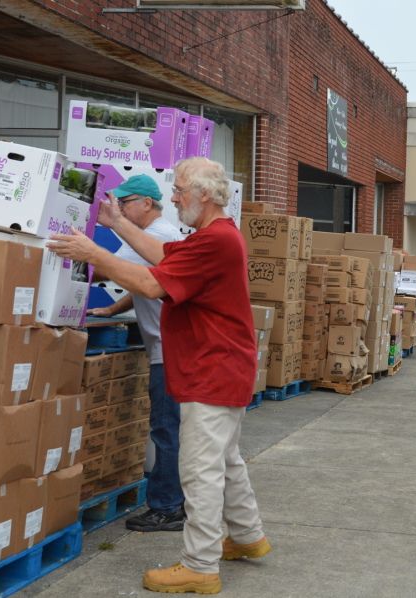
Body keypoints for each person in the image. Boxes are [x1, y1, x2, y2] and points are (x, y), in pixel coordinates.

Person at [48, 157, 269, 595]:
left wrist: (93, 254)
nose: (173, 198)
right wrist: (114, 224)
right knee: (226, 460)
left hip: (213, 369)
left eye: (180, 190)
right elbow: (164, 255)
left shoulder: (216, 241)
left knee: (200, 468)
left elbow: (152, 284)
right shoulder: (213, 236)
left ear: (203, 194)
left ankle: (200, 566)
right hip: (222, 367)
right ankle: (248, 537)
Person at [87, 174, 187, 533]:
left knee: (165, 430)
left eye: (125, 203)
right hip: (172, 348)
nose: (120, 211)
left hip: (168, 351)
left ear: (146, 203)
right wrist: (114, 310)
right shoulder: (160, 236)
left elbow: (102, 267)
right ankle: (177, 501)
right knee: (171, 429)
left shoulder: (154, 236)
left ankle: (167, 507)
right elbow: (147, 282)